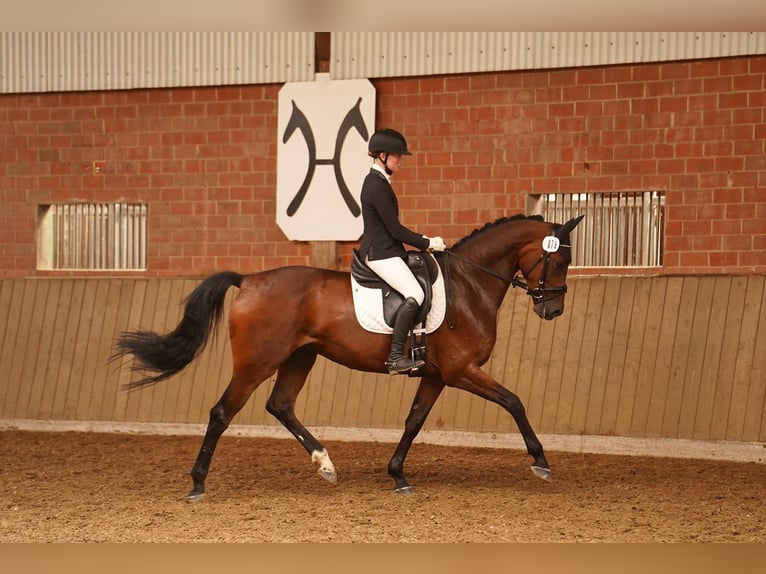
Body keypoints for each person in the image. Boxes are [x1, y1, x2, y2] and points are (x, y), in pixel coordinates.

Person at [358, 128, 447, 374]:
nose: (401, 160)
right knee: (415, 294)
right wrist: (426, 242)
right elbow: (395, 230)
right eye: (397, 155)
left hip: (388, 250)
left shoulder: (379, 182)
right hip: (380, 253)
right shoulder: (376, 185)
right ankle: (396, 356)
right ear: (383, 156)